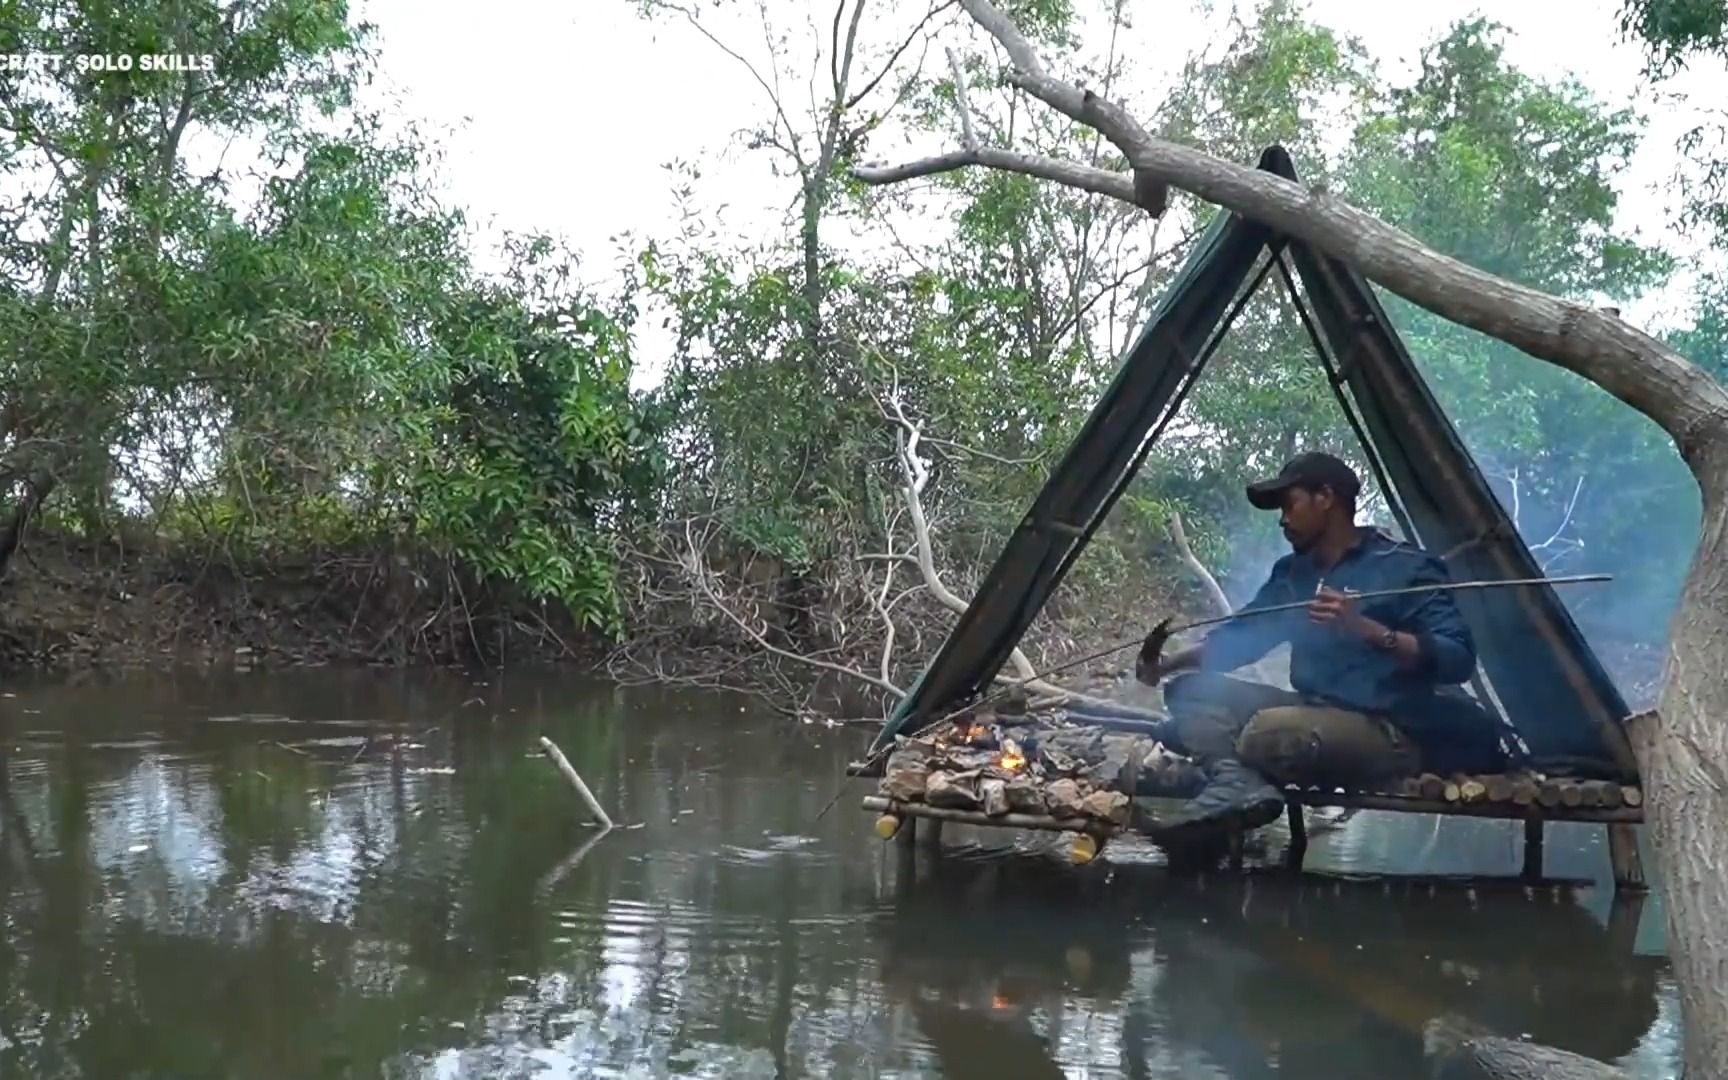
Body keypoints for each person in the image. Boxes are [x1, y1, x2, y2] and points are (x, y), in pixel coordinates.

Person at [1137, 451, 1511, 841]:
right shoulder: (1293, 575)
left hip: (1390, 727)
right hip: (1314, 711)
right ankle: (1236, 784)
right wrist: (1165, 666)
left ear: (1325, 498)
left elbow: (1458, 658)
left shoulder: (1406, 567)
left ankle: (1234, 777)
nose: (1283, 518)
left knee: (1267, 734)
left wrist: (1366, 628)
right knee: (1189, 693)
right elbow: (1241, 639)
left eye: (1290, 504)